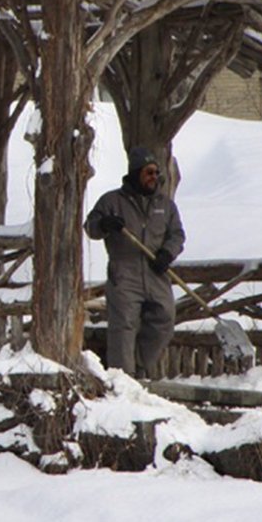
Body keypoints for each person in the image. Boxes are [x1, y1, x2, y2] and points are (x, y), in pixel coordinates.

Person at [85, 146, 186, 379]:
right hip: (125, 272)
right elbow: (90, 227)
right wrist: (105, 224)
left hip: (155, 270)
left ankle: (138, 367)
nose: (154, 177)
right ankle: (122, 379)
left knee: (164, 319)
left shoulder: (165, 204)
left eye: (156, 172)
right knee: (124, 326)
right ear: (136, 172)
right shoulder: (112, 201)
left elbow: (177, 235)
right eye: (149, 172)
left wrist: (167, 254)